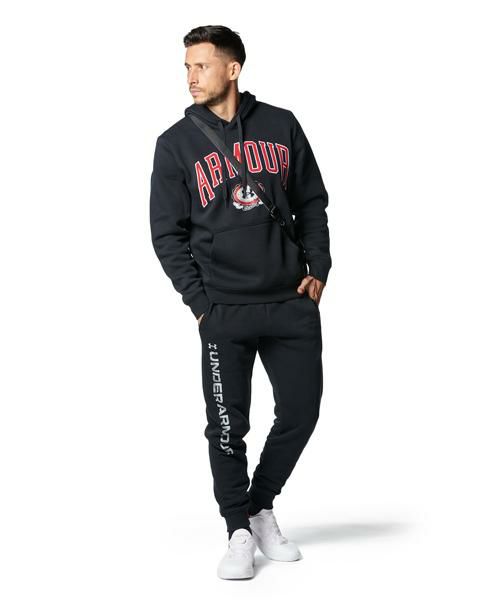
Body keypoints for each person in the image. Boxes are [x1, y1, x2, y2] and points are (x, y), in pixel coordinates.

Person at [149, 25, 332, 580]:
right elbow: (166, 233)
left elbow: (311, 202)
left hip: (289, 301)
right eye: (186, 67)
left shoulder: (281, 124)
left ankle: (259, 506)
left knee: (301, 412)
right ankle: (238, 529)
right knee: (228, 428)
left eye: (200, 66)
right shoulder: (175, 144)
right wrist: (199, 301)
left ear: (232, 69)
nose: (190, 76)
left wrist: (318, 267)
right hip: (224, 310)